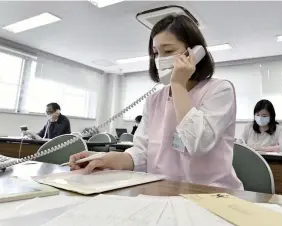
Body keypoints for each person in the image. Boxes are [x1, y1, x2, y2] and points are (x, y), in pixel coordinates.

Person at [69, 15, 243, 190]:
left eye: (168, 51)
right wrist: (104, 159)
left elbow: (198, 144)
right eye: (156, 53)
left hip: (212, 193)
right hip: (163, 190)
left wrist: (177, 84)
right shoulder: (154, 100)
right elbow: (142, 153)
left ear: (194, 53)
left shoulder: (220, 90)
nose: (160, 59)